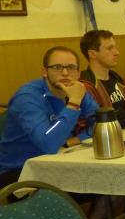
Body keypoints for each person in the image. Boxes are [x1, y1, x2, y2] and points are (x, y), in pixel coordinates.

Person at [0, 47, 98, 185]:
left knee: (106, 179)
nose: (65, 73)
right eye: (57, 67)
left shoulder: (77, 90)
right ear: (44, 72)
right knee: (95, 184)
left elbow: (101, 123)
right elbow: (49, 144)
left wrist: (76, 139)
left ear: (78, 73)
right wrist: (73, 103)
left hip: (56, 161)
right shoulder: (27, 98)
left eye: (71, 67)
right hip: (18, 172)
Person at [79, 29, 125, 128]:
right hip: (107, 136)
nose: (117, 52)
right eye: (110, 48)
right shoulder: (85, 87)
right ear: (92, 54)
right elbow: (92, 127)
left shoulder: (121, 81)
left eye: (115, 47)